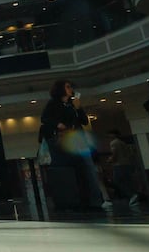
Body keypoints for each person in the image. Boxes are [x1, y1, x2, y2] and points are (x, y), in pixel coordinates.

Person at [38, 79, 105, 212]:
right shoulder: (54, 104)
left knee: (87, 167)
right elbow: (45, 119)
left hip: (77, 138)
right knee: (75, 169)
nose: (70, 89)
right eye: (67, 87)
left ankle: (93, 200)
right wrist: (58, 124)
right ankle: (77, 200)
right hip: (65, 139)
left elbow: (84, 121)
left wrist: (79, 108)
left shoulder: (72, 104)